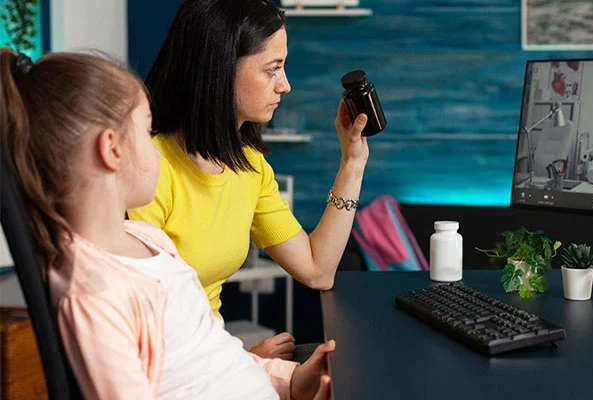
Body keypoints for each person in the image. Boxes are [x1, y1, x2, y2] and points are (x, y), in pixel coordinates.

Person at [0, 48, 334, 399]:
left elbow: (206, 353)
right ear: (112, 150)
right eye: (146, 131)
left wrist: (290, 380)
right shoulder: (93, 293)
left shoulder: (148, 239)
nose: (156, 145)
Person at [126, 0, 369, 360]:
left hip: (210, 360)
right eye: (273, 69)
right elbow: (137, 328)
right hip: (171, 370)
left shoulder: (249, 166)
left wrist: (352, 163)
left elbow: (317, 270)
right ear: (220, 69)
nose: (284, 85)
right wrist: (246, 363)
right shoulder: (149, 170)